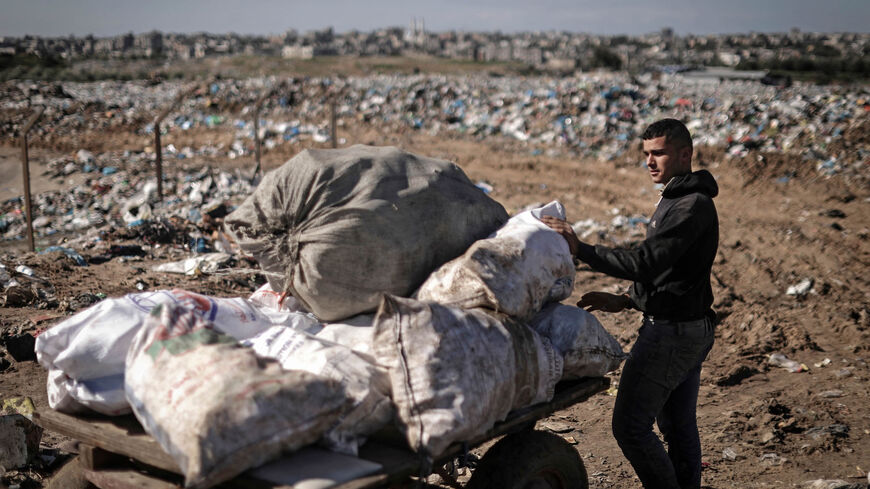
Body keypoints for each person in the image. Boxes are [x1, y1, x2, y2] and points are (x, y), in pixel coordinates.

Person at [542, 118, 719, 489]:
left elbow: (645, 262)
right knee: (677, 425)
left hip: (671, 335)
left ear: (685, 155)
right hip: (688, 328)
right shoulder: (676, 198)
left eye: (659, 153)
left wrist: (583, 249)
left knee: (630, 427)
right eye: (646, 154)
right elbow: (671, 272)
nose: (650, 162)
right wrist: (626, 300)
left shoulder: (690, 206)